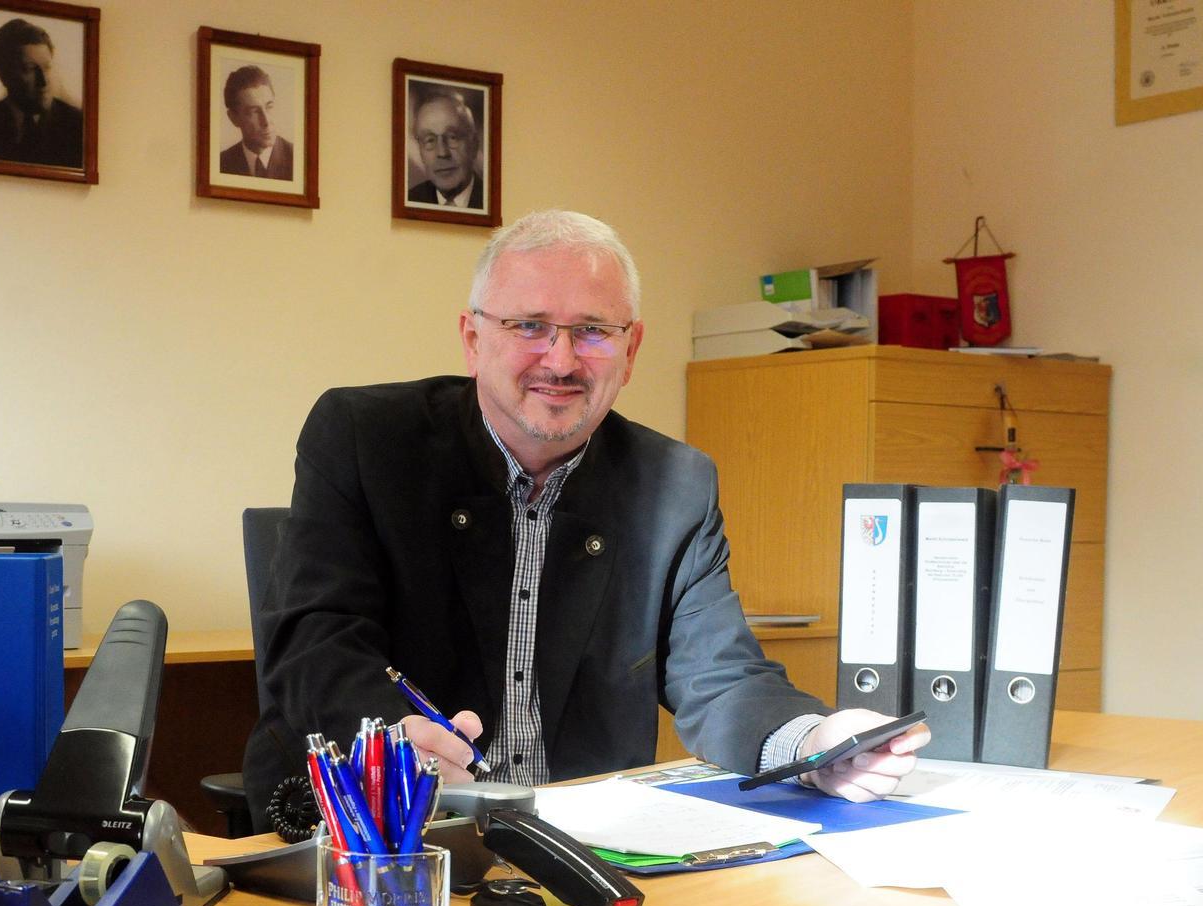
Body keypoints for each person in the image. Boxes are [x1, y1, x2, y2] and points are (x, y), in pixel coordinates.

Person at [241, 209, 929, 827]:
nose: (562, 360)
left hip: (581, 839)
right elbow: (313, 640)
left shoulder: (674, 483)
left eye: (593, 332)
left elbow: (720, 676)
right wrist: (389, 738)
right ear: (472, 338)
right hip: (378, 830)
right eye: (529, 326)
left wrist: (816, 742)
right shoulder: (366, 438)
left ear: (630, 351)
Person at [0, 18, 85, 168]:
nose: (43, 82)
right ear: (3, 73)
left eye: (47, 67)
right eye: (30, 69)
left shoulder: (78, 126)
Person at [406, 89, 482, 209]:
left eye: (453, 137)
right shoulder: (411, 199)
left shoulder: (492, 200)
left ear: (474, 145)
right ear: (420, 151)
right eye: (430, 140)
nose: (442, 152)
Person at [218, 65, 294, 180]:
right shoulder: (220, 164)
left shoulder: (298, 160)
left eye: (269, 107)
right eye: (254, 112)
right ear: (233, 118)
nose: (266, 122)